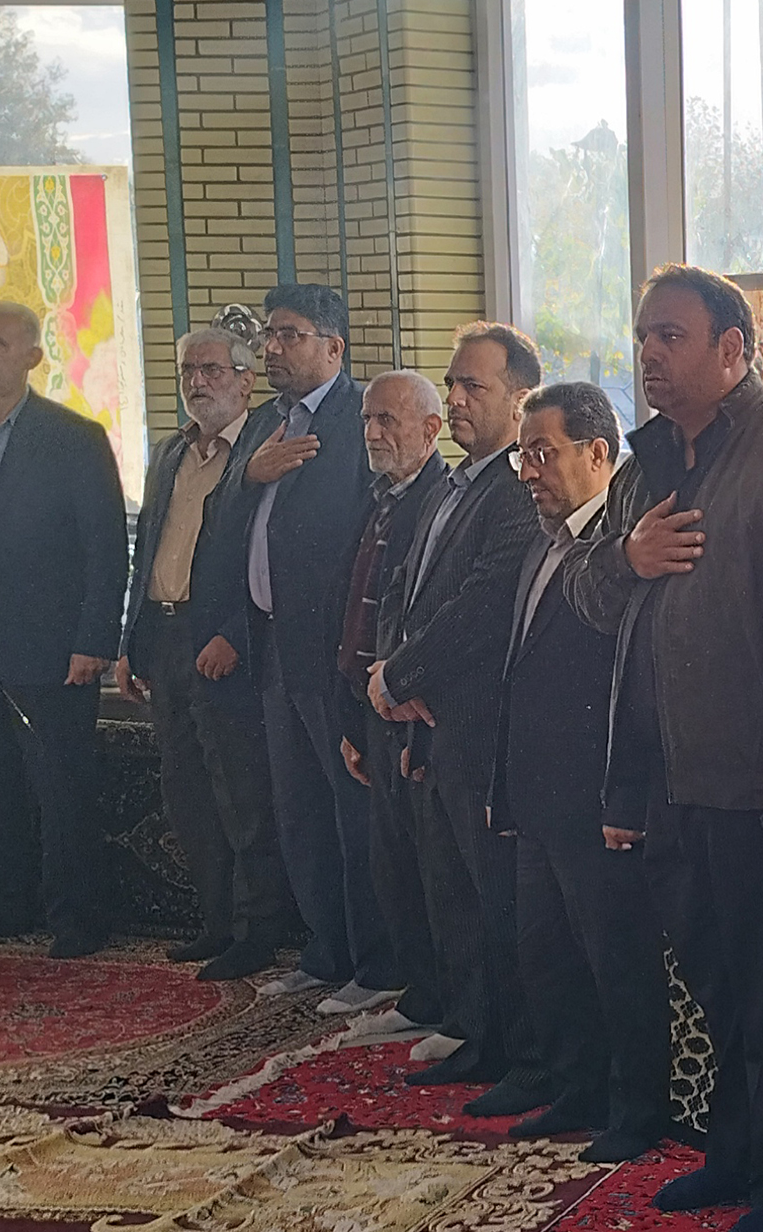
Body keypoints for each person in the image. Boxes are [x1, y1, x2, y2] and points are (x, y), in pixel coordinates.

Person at [563, 264, 763, 1232]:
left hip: (755, 781)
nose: (649, 353)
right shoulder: (646, 464)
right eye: (644, 335)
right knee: (714, 983)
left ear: (734, 349)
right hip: (669, 779)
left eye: (671, 336)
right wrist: (626, 558)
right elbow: (589, 599)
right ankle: (735, 1152)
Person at [492, 381, 672, 1159]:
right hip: (536, 794)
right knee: (547, 954)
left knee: (615, 961)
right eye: (521, 455)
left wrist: (624, 794)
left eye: (544, 452)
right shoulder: (543, 539)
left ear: (599, 452)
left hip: (599, 797)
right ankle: (576, 1089)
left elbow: (636, 679)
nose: (529, 471)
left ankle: (636, 1110)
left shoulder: (626, 545)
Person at [0, 301, 127, 960]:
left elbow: (105, 546)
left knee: (60, 784)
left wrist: (95, 640)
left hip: (53, 641)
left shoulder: (72, 435)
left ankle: (77, 917)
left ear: (34, 357)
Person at [372, 324, 543, 1103]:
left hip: (479, 724)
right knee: (451, 890)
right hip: (430, 716)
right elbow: (410, 592)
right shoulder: (453, 484)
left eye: (475, 385)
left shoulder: (514, 489)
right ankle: (474, 1029)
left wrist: (402, 673)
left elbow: (481, 606)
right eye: (453, 383)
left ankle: (506, 1046)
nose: (458, 398)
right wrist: (392, 679)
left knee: (487, 892)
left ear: (520, 398)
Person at [116, 325, 299, 981]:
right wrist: (130, 643)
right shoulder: (171, 451)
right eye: (188, 370)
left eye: (212, 370)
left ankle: (256, 932)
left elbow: (266, 552)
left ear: (247, 381)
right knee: (186, 788)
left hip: (223, 637)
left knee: (240, 790)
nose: (197, 382)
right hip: (164, 635)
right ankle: (216, 923)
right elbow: (149, 549)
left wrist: (233, 633)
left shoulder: (263, 446)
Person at [241, 283, 400, 1016]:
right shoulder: (263, 423)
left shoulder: (360, 417)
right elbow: (230, 519)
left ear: (334, 347)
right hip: (273, 647)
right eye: (269, 335)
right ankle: (325, 951)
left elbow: (369, 536)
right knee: (298, 809)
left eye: (290, 335)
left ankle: (376, 963)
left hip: (334, 654)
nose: (273, 348)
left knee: (350, 814)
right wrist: (251, 475)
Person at [336, 371, 450, 1038]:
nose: (373, 433)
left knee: (425, 865)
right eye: (367, 419)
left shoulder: (440, 498)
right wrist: (353, 714)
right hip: (370, 704)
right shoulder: (377, 497)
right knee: (390, 862)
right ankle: (418, 991)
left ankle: (440, 999)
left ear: (432, 429)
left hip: (413, 707)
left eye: (388, 420)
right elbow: (355, 608)